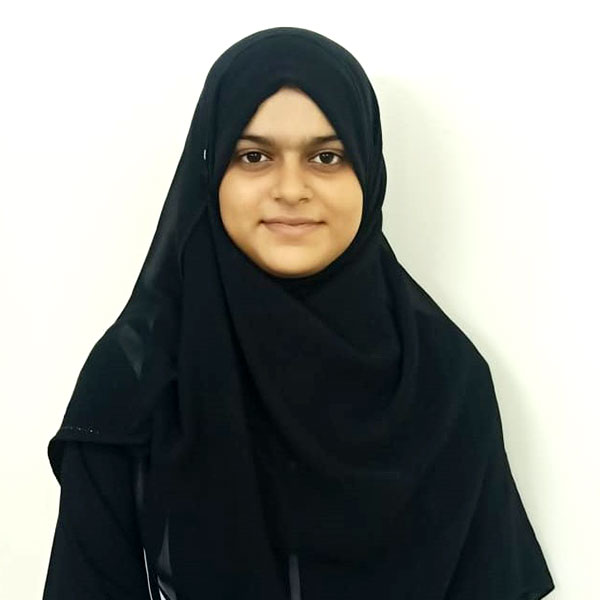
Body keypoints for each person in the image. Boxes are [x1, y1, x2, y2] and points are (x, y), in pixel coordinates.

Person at [43, 26, 555, 600]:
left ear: (368, 172)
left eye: (326, 157)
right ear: (211, 174)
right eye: (254, 156)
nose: (291, 189)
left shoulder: (445, 379)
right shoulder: (139, 381)